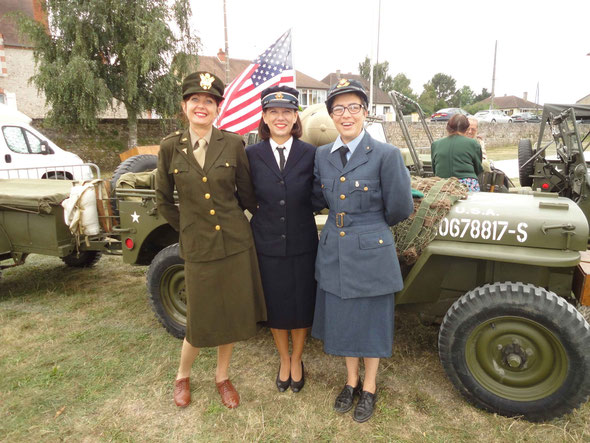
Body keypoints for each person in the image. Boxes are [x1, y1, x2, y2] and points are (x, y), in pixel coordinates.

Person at [155, 71, 266, 409]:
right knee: (200, 318)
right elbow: (163, 200)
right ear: (184, 106)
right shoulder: (170, 146)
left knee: (230, 315)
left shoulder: (233, 143)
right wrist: (188, 228)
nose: (201, 106)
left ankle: (222, 377)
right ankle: (182, 376)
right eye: (195, 100)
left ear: (218, 108)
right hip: (198, 247)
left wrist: (247, 224)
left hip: (234, 244)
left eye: (209, 101)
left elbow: (248, 196)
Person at [311, 79, 413, 423]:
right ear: (331, 116)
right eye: (338, 108)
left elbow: (399, 207)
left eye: (354, 107)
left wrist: (367, 228)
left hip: (371, 250)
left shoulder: (386, 155)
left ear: (366, 113)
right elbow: (317, 197)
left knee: (370, 321)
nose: (346, 114)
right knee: (343, 319)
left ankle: (369, 386)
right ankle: (350, 381)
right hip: (335, 248)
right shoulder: (323, 156)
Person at [246, 86, 318, 393]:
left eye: (287, 111)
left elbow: (318, 196)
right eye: (273, 112)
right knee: (276, 306)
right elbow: (244, 194)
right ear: (263, 117)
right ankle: (283, 358)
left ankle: (297, 359)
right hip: (267, 243)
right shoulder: (250, 154)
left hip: (302, 242)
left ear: (295, 116)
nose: (280, 117)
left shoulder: (311, 153)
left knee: (301, 306)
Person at [431, 114, 484, 191]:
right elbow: (478, 169)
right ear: (466, 129)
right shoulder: (473, 143)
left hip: (442, 185)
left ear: (447, 128)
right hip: (467, 185)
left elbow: (435, 169)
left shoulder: (435, 144)